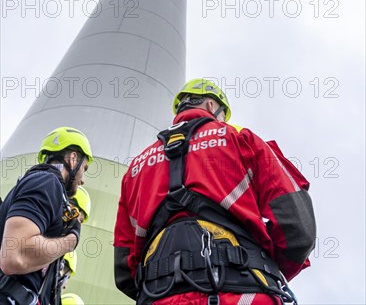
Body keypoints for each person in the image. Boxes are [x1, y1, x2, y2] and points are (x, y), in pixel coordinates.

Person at [114, 78, 316, 304]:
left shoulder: (136, 168)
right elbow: (298, 229)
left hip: (160, 296)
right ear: (212, 106)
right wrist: (262, 268)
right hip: (242, 294)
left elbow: (123, 268)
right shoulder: (241, 139)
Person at [0, 126, 93, 305]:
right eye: (85, 168)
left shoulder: (44, 184)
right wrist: (69, 241)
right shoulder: (46, 182)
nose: (83, 180)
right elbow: (14, 256)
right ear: (73, 159)